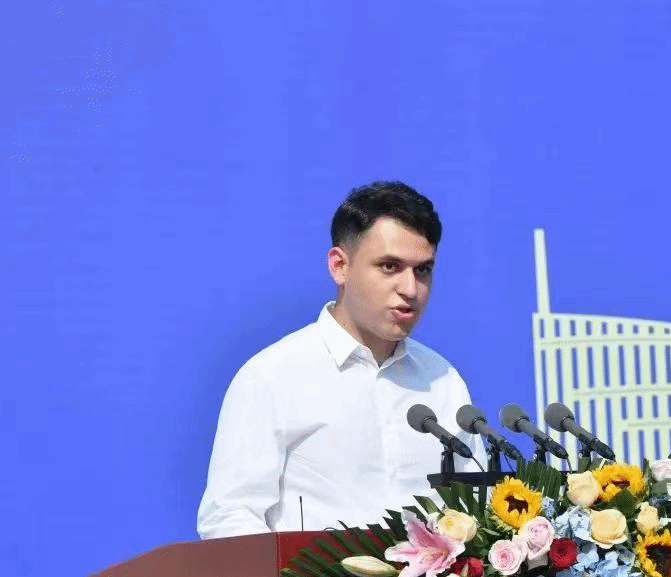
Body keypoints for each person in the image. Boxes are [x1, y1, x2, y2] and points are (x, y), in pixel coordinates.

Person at [197, 181, 486, 538]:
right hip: (313, 576)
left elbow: (477, 509)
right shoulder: (272, 376)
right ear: (339, 266)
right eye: (389, 266)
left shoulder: (442, 379)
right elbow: (228, 518)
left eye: (423, 270)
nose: (411, 289)